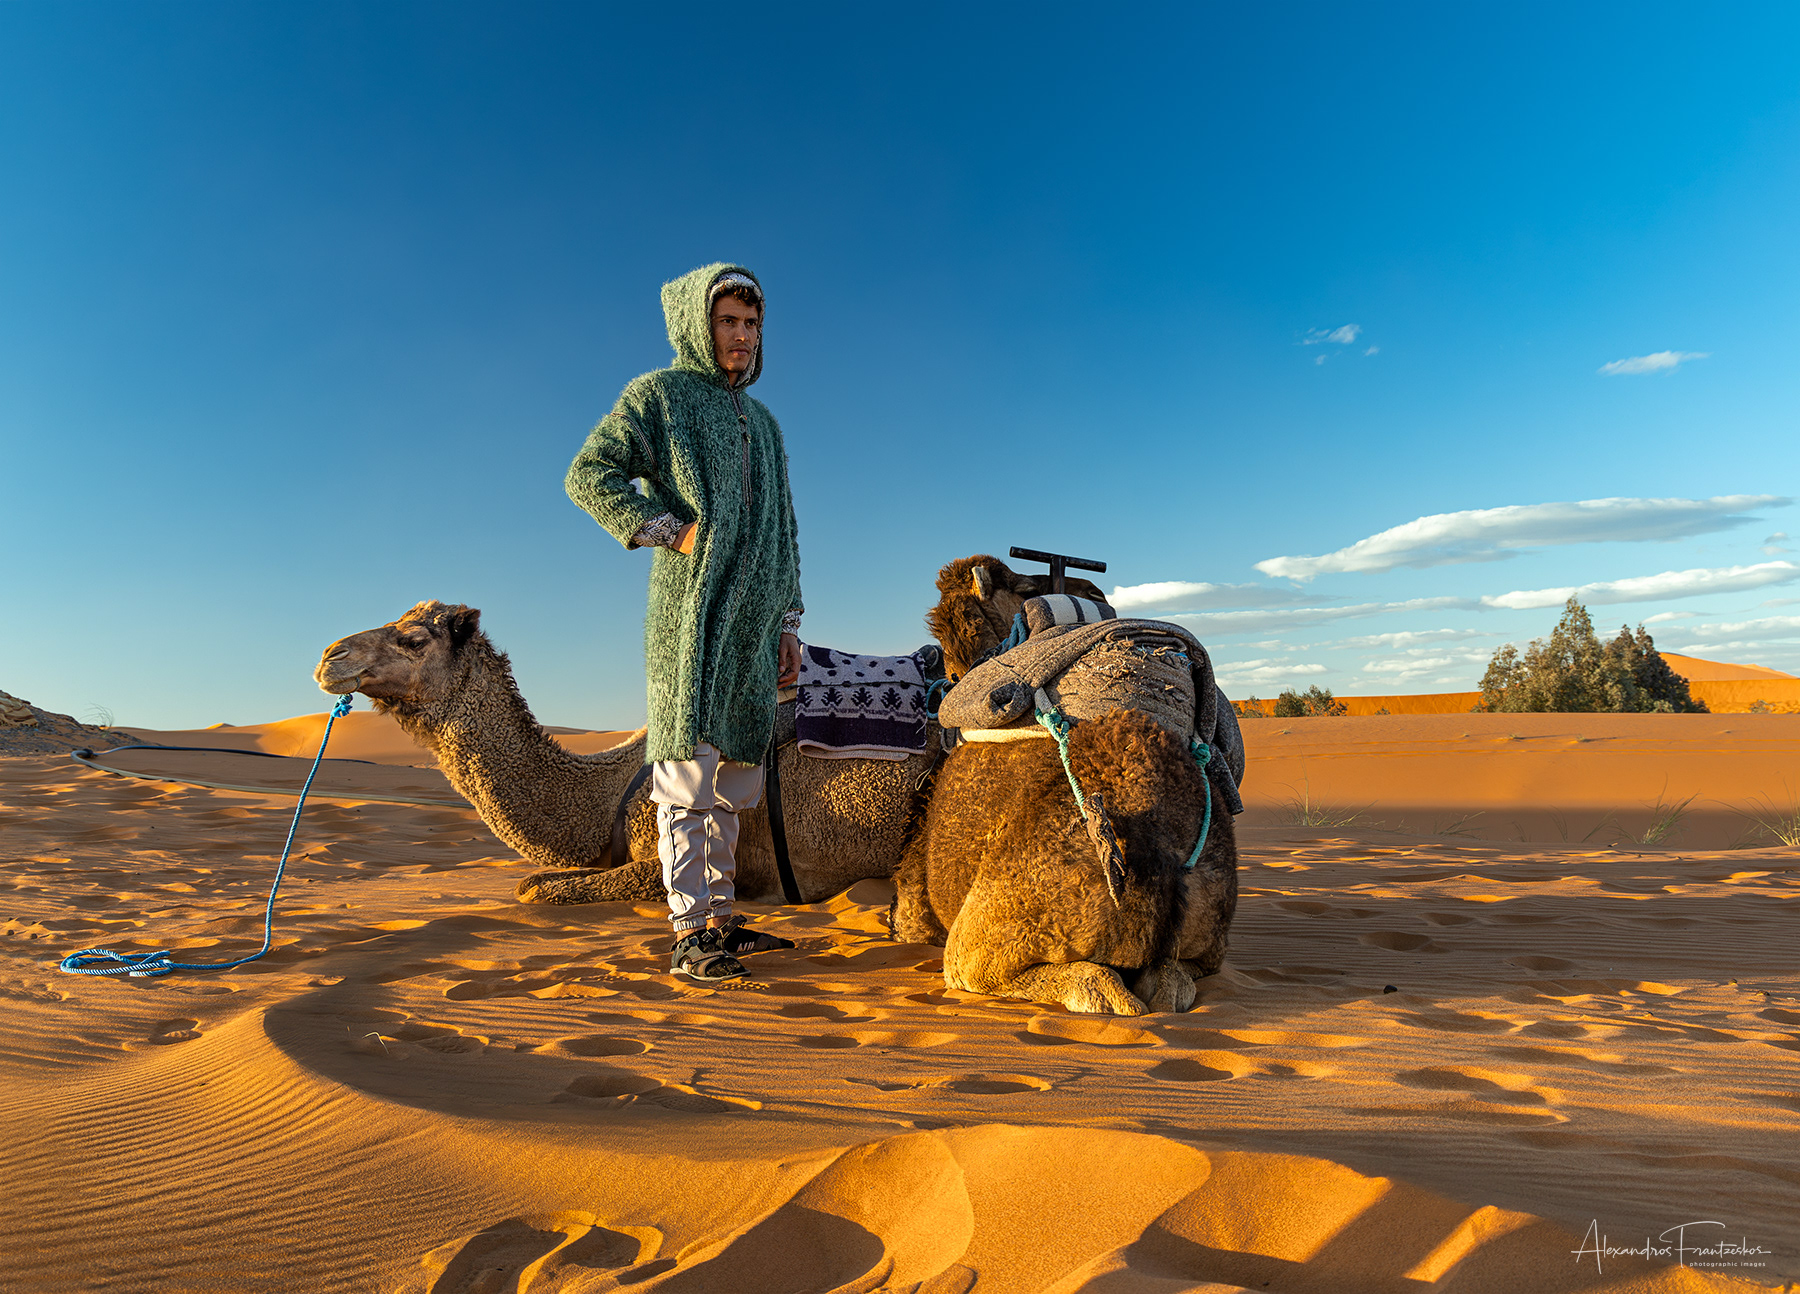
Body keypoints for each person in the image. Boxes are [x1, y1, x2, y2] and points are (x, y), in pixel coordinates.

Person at [565, 263, 802, 982]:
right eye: (728, 322)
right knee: (685, 773)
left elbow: (786, 531)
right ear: (699, 327)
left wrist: (788, 621)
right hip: (690, 618)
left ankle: (721, 920)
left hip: (753, 629)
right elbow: (590, 472)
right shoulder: (659, 397)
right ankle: (689, 932)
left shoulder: (764, 423)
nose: (741, 336)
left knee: (733, 779)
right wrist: (668, 530)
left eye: (751, 324)